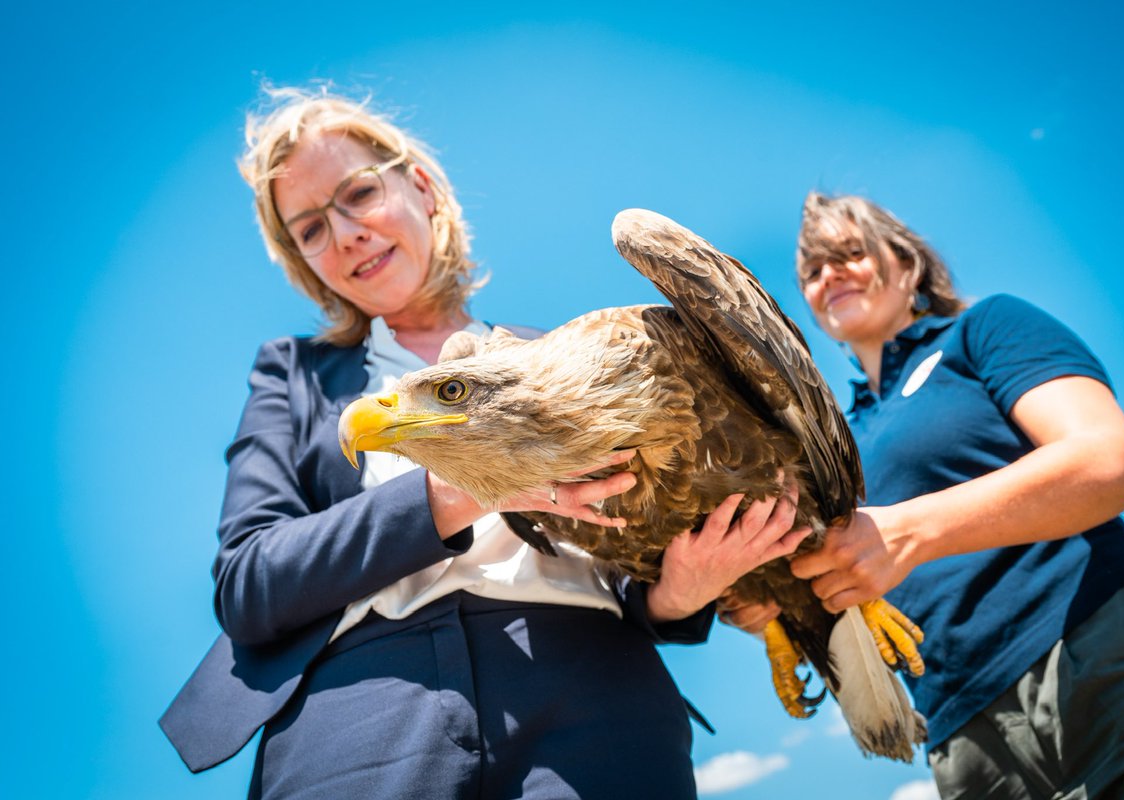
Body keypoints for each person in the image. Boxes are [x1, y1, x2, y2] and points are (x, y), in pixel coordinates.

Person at [159, 86, 801, 800]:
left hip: (597, 689)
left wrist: (678, 595)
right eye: (309, 228)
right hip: (362, 710)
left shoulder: (566, 355)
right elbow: (250, 585)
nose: (344, 234)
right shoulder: (295, 377)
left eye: (358, 194)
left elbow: (637, 558)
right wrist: (460, 484)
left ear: (422, 187)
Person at [723, 193, 1124, 799]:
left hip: (1112, 654)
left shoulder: (982, 328)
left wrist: (908, 532)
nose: (829, 276)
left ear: (908, 264)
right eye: (812, 272)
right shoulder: (830, 438)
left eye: (849, 253)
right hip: (965, 734)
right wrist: (772, 602)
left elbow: (1111, 463)